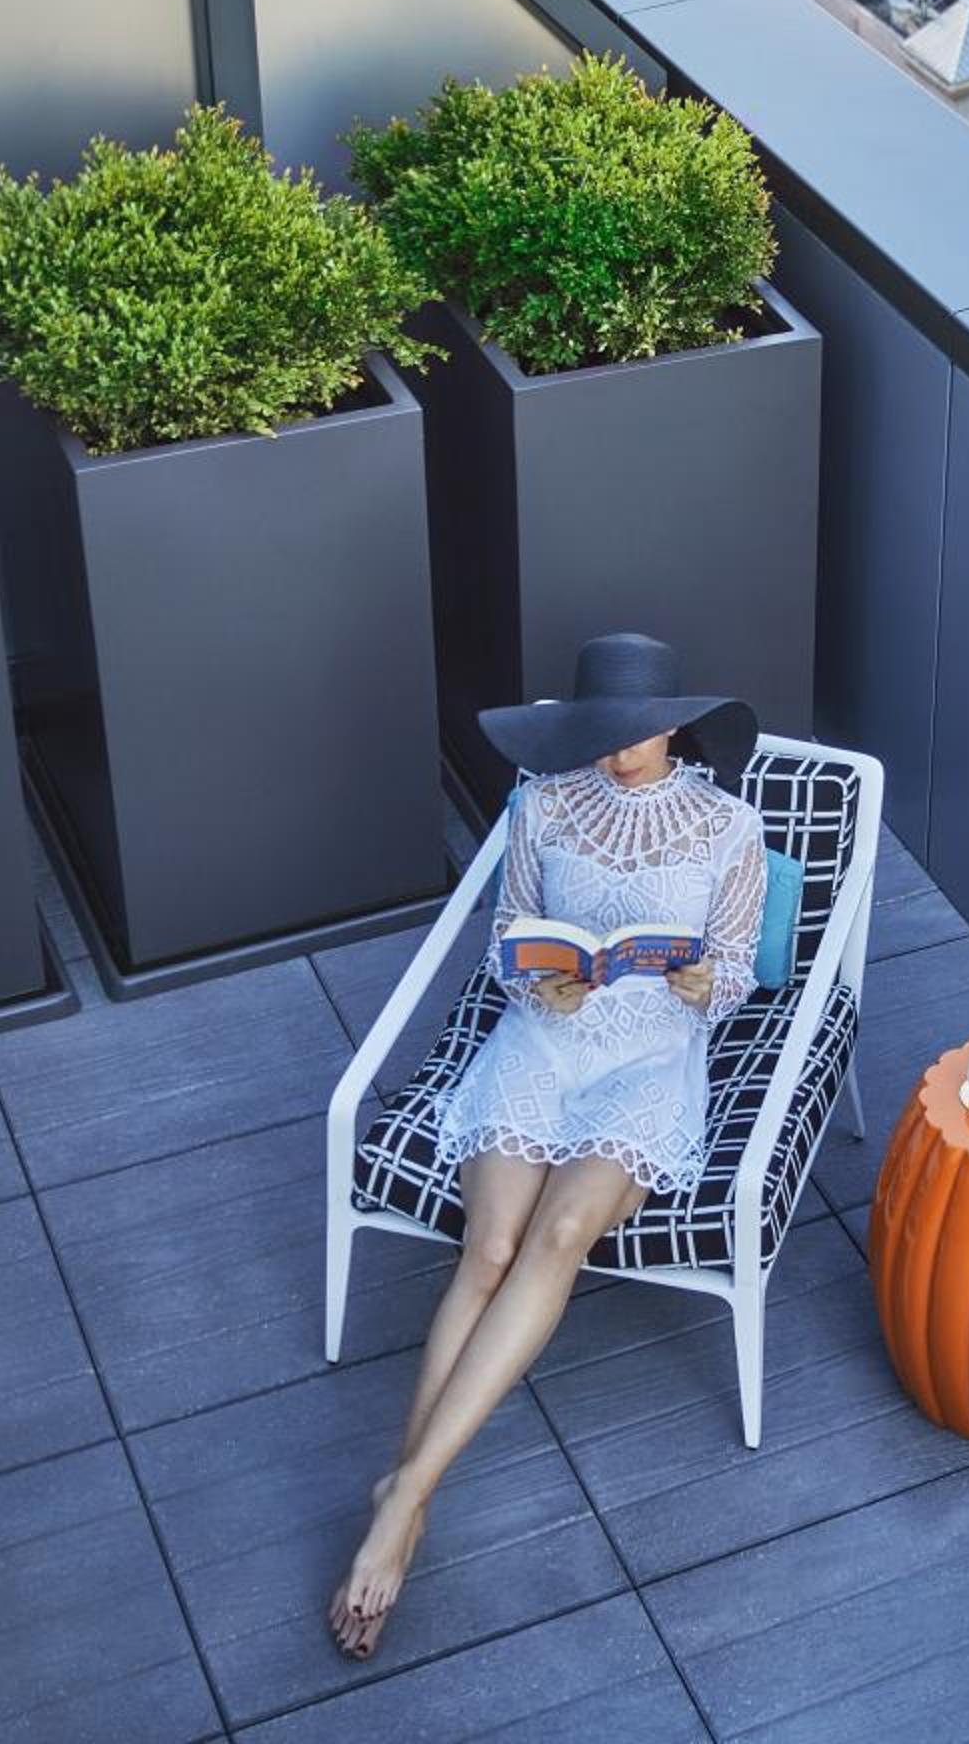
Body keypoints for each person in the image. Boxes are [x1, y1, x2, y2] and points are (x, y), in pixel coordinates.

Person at [328, 633, 766, 1659]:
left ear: (673, 726)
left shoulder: (729, 825)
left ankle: (403, 1498)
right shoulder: (545, 803)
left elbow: (739, 967)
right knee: (486, 1247)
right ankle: (408, 1494)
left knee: (558, 1235)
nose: (618, 752)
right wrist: (542, 979)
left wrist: (704, 981)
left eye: (636, 734)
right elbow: (508, 938)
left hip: (650, 1057)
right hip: (543, 1042)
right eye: (602, 734)